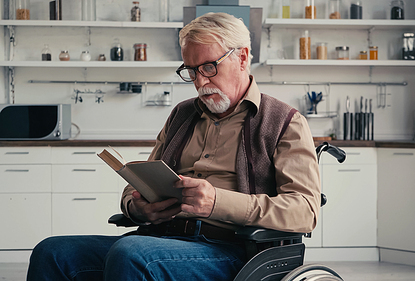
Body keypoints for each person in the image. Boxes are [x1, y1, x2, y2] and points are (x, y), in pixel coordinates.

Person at [27, 12, 321, 281]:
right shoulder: (182, 115)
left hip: (233, 250)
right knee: (52, 252)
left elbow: (305, 210)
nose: (200, 81)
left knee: (131, 254)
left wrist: (218, 202)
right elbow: (137, 184)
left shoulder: (283, 121)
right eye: (191, 71)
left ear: (242, 58)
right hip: (158, 238)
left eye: (209, 67)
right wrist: (138, 208)